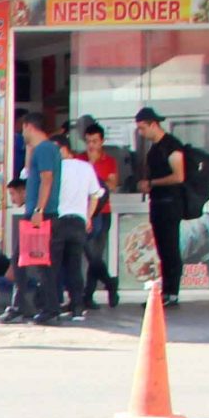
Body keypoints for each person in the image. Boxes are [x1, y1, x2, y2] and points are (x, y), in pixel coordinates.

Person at [2, 112, 64, 324]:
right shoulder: (43, 149)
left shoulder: (46, 149)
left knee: (24, 262)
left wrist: (39, 209)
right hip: (41, 212)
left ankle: (29, 307)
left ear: (29, 126)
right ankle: (47, 308)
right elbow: (30, 171)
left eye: (22, 129)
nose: (21, 133)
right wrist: (29, 148)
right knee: (39, 263)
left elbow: (47, 179)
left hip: (41, 214)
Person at [133, 108, 186, 308]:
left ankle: (173, 292)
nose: (141, 133)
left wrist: (152, 183)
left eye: (142, 128)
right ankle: (166, 291)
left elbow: (179, 176)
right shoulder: (155, 149)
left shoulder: (171, 146)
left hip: (170, 204)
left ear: (154, 124)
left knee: (170, 249)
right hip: (158, 204)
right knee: (163, 250)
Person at [53, 136, 104, 321]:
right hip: (78, 222)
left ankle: (53, 306)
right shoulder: (86, 167)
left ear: (64, 149)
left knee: (54, 266)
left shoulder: (55, 168)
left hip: (58, 221)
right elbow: (96, 195)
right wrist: (88, 217)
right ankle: (77, 307)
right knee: (75, 266)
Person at [77, 118, 121, 309]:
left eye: (95, 141)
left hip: (103, 212)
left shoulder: (109, 161)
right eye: (88, 141)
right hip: (85, 212)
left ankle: (88, 295)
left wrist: (93, 167)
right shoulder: (79, 159)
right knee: (91, 255)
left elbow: (112, 185)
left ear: (102, 141)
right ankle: (110, 283)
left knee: (96, 254)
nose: (91, 145)